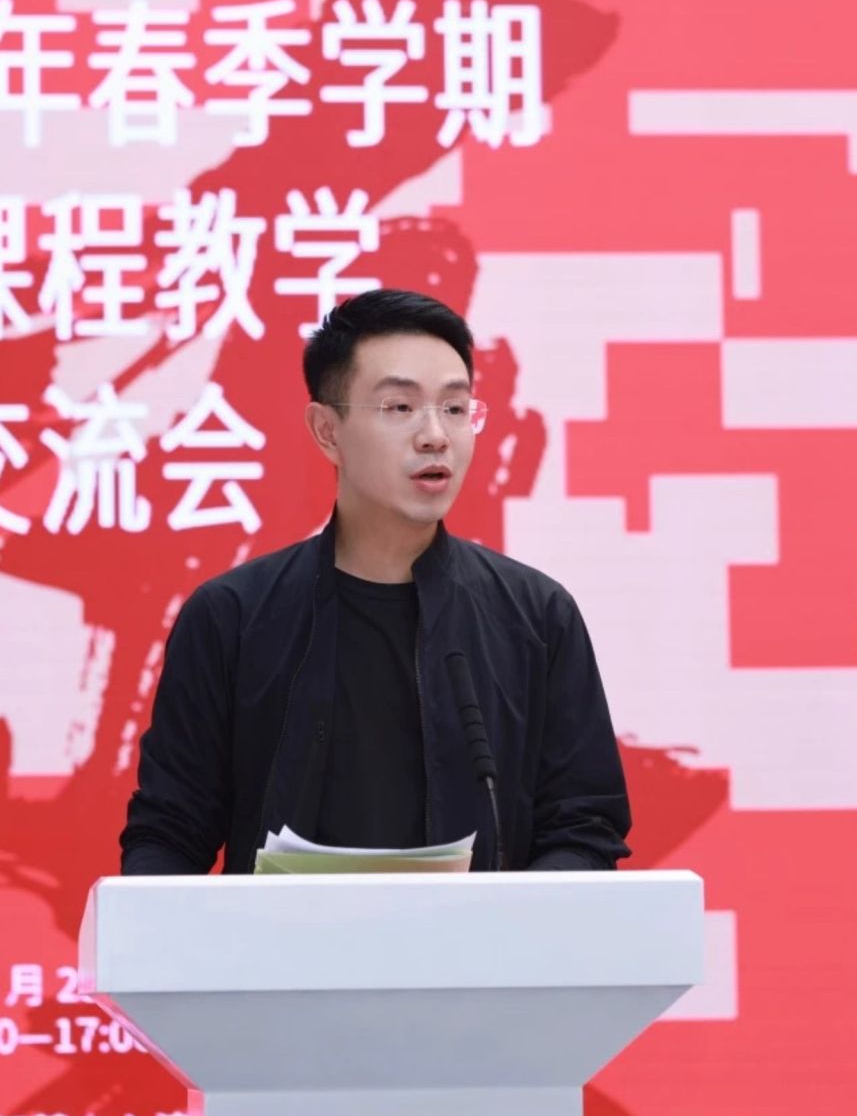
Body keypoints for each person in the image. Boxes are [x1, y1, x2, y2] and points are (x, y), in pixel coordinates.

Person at [119, 288, 630, 876]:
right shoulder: (232, 617)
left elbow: (584, 826)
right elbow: (169, 833)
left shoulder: (536, 617)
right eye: (400, 407)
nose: (435, 435)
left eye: (455, 408)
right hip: (281, 938)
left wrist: (512, 921)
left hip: (482, 939)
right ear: (327, 430)